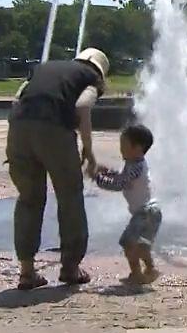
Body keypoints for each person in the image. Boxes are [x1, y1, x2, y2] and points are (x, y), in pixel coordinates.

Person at [6, 47, 109, 290]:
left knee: (29, 199)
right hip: (53, 131)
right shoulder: (89, 77)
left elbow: (17, 99)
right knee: (70, 197)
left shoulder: (43, 68)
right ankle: (70, 267)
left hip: (18, 129)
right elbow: (83, 106)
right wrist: (88, 150)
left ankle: (27, 272)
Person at [87, 123, 163, 285]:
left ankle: (136, 273)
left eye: (123, 145)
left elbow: (119, 184)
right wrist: (107, 171)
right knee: (142, 245)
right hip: (152, 212)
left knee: (128, 243)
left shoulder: (135, 167)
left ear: (137, 148)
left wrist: (97, 178)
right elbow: (123, 177)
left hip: (145, 212)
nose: (120, 149)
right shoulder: (136, 164)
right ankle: (150, 269)